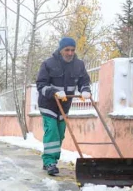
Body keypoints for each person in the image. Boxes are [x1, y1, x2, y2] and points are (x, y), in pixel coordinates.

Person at [36, 37, 91, 175]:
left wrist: (85, 90)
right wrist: (54, 92)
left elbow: (84, 80)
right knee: (52, 131)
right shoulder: (48, 64)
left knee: (60, 134)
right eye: (67, 50)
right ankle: (50, 162)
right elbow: (41, 85)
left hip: (64, 105)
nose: (70, 53)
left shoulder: (79, 65)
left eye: (72, 50)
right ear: (61, 50)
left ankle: (49, 158)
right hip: (48, 104)